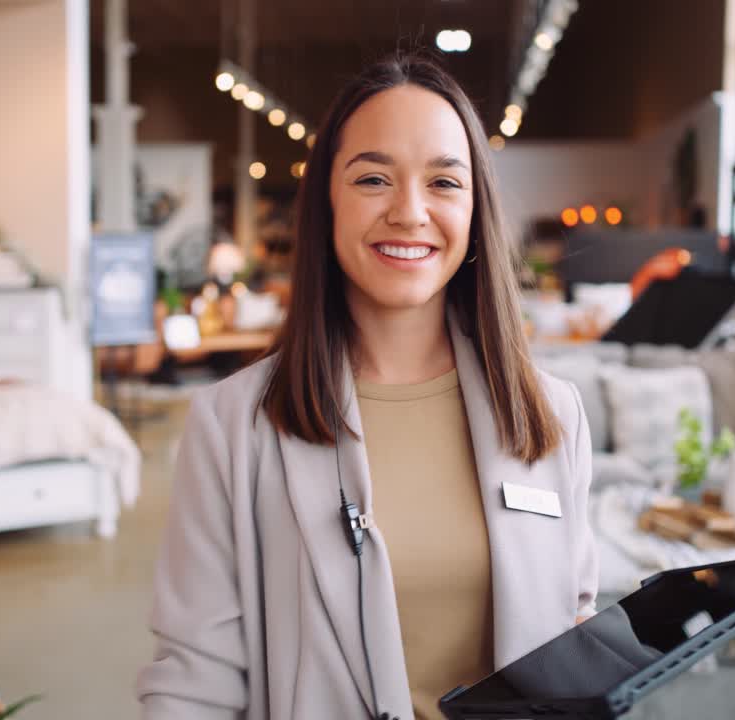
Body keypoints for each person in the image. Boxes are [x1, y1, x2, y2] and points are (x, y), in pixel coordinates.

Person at [136, 54, 597, 720]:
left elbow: (574, 623)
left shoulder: (554, 414)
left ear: (474, 212)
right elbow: (193, 685)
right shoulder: (233, 426)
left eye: (443, 182)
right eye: (374, 178)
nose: (410, 212)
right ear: (326, 202)